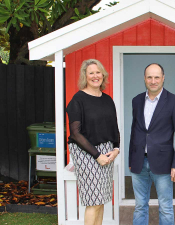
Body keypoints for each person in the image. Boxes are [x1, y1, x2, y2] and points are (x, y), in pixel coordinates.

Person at [129, 63, 175, 225]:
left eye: (156, 77)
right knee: (140, 206)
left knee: (165, 207)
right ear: (144, 79)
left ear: (163, 78)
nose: (153, 81)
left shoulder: (174, 101)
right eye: (149, 77)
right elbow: (135, 132)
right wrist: (131, 160)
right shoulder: (137, 100)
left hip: (164, 164)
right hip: (139, 162)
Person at [67, 59, 120, 225]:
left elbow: (114, 127)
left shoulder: (107, 99)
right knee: (93, 200)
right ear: (85, 76)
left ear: (103, 75)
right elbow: (75, 133)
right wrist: (97, 155)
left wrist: (116, 148)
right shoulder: (78, 100)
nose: (95, 76)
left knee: (101, 198)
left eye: (98, 72)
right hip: (85, 151)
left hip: (106, 151)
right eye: (91, 73)